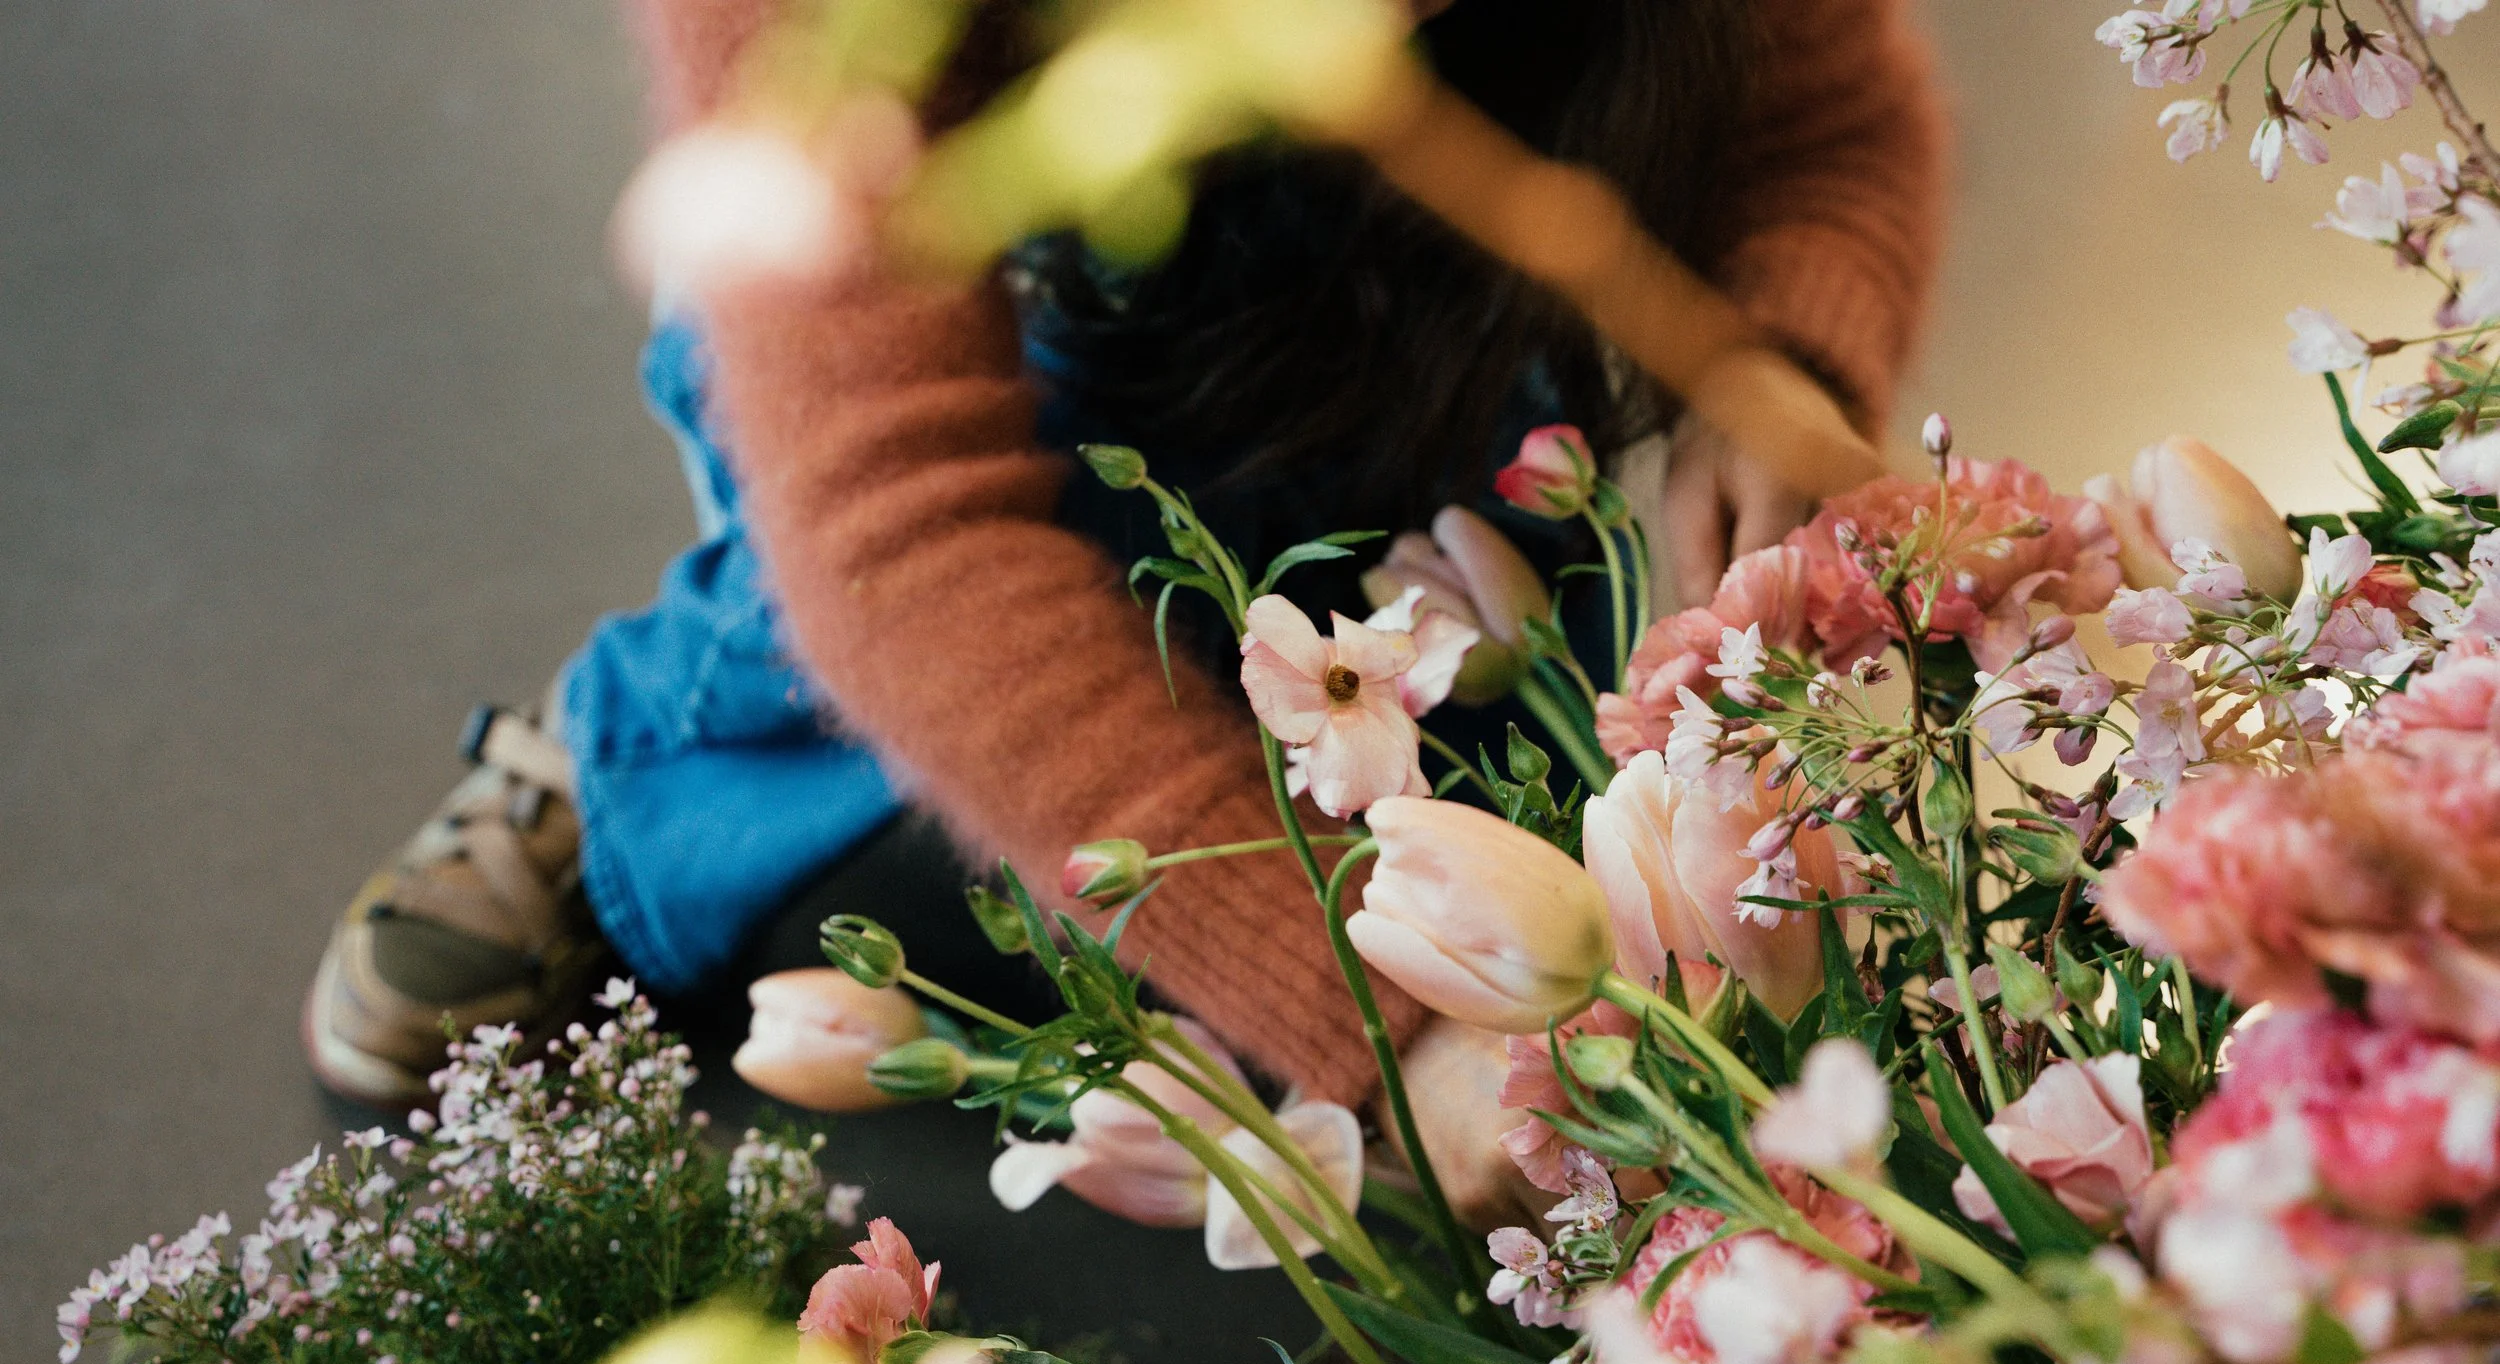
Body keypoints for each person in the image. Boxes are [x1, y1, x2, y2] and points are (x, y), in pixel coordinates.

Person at [303, 0, 1944, 1213]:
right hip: (994, 338)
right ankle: (635, 744)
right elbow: (901, 520)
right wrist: (1372, 1013)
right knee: (888, 655)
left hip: (1399, 327)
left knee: (1483, 730)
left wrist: (1768, 361)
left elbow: (1823, 126)